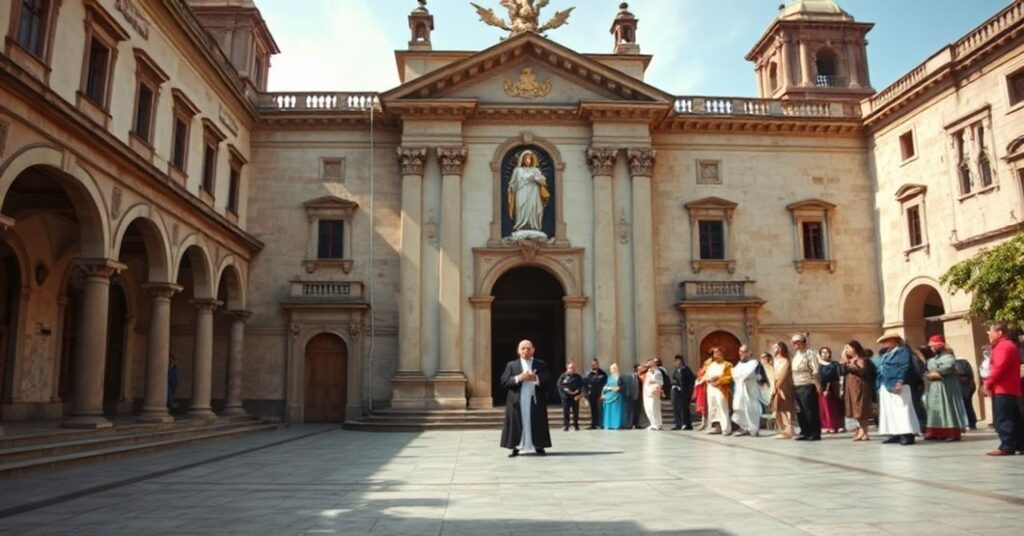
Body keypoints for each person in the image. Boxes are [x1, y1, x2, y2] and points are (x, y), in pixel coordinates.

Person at [499, 340, 553, 457]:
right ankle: (516, 446)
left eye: (528, 348)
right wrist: (519, 378)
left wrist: (536, 378)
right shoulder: (512, 365)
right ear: (518, 351)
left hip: (535, 400)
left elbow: (548, 381)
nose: (526, 351)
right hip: (517, 400)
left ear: (533, 350)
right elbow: (504, 382)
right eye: (523, 348)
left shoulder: (540, 364)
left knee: (536, 421)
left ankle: (538, 445)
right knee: (518, 422)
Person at [981, 322, 1023, 456]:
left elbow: (999, 368)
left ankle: (1007, 446)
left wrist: (987, 383)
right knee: (1015, 418)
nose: (988, 334)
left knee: (1003, 419)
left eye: (990, 331)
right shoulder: (1008, 345)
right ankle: (1020, 444)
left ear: (999, 333)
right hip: (1009, 388)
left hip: (1003, 389)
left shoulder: (1003, 346)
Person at [876, 331, 921, 446]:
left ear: (895, 341)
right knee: (890, 411)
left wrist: (900, 381)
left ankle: (907, 434)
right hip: (886, 383)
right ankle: (894, 433)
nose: (884, 343)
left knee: (902, 410)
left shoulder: (902, 351)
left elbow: (904, 366)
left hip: (898, 383)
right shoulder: (887, 353)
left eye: (887, 340)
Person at [922, 335, 970, 441]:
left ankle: (952, 432)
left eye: (933, 346)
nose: (932, 348)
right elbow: (926, 369)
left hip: (946, 386)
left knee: (948, 407)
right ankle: (935, 431)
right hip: (934, 387)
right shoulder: (932, 359)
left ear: (940, 345)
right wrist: (928, 374)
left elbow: (949, 368)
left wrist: (938, 373)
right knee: (934, 408)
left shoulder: (949, 357)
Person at [507, 150, 550, 235]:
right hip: (521, 192)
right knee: (522, 208)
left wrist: (537, 179)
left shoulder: (536, 170)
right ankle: (521, 225)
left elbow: (543, 182)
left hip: (534, 192)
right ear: (522, 159)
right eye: (526, 158)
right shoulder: (517, 170)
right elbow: (512, 183)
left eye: (529, 158)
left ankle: (534, 226)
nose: (528, 160)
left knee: (534, 208)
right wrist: (511, 187)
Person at [790, 333, 822, 441]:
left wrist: (817, 384)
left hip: (807, 384)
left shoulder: (810, 353)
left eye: (798, 341)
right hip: (797, 384)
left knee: (809, 410)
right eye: (794, 342)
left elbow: (815, 370)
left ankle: (814, 432)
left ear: (803, 342)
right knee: (800, 411)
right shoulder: (796, 355)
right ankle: (805, 431)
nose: (796, 344)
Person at [842, 341, 875, 442]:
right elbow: (843, 372)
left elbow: (863, 371)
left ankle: (864, 431)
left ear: (855, 348)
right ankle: (861, 430)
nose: (846, 350)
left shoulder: (863, 360)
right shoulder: (849, 361)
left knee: (861, 409)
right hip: (851, 387)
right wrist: (845, 360)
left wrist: (850, 365)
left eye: (848, 348)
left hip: (860, 387)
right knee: (855, 410)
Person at [699, 347, 733, 435]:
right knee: (712, 407)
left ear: (722, 354)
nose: (716, 355)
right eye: (714, 353)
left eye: (717, 353)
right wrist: (707, 379)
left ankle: (726, 429)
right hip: (710, 388)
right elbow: (704, 375)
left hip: (720, 389)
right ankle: (715, 427)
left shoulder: (727, 365)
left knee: (722, 407)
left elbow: (728, 377)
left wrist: (718, 380)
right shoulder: (711, 365)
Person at [731, 345, 762, 436]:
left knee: (751, 409)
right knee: (738, 407)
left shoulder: (754, 363)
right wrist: (741, 377)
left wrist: (748, 377)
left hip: (750, 389)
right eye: (740, 351)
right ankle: (744, 427)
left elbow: (757, 375)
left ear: (748, 353)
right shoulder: (739, 364)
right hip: (740, 390)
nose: (740, 354)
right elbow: (735, 374)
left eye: (743, 351)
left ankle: (753, 429)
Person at [770, 342, 796, 439]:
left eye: (776, 347)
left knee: (785, 408)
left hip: (784, 387)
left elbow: (782, 374)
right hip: (776, 387)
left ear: (780, 349)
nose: (773, 349)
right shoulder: (774, 361)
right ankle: (782, 429)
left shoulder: (785, 361)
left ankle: (788, 430)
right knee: (778, 409)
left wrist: (778, 385)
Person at [818, 346, 846, 434]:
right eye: (823, 352)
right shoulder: (819, 365)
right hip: (821, 389)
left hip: (833, 388)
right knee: (824, 409)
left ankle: (836, 425)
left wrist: (827, 389)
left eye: (826, 352)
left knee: (834, 408)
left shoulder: (834, 364)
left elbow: (832, 377)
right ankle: (826, 425)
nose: (824, 354)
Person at [557, 362, 584, 431]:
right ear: (567, 368)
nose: (573, 369)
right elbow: (559, 385)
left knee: (576, 411)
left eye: (574, 368)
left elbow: (581, 385)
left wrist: (578, 393)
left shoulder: (578, 377)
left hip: (575, 397)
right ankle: (566, 425)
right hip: (566, 397)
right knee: (566, 411)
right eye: (571, 368)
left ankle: (576, 425)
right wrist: (565, 390)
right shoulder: (563, 376)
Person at [671, 355, 696, 430]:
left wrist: (689, 391)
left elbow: (691, 381)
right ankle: (678, 423)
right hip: (677, 393)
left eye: (678, 361)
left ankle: (686, 424)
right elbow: (674, 380)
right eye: (675, 361)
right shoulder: (676, 371)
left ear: (681, 361)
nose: (676, 363)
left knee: (684, 409)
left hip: (685, 393)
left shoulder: (686, 370)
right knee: (677, 408)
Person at [953, 357, 978, 430]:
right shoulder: (964, 362)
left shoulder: (956, 364)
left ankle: (968, 422)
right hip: (969, 386)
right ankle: (972, 422)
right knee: (968, 404)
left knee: (965, 405)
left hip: (963, 386)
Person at [583, 359, 608, 429]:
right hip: (591, 394)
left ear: (598, 364)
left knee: (601, 409)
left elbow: (605, 383)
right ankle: (594, 424)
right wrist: (586, 393)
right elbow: (584, 384)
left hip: (600, 394)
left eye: (595, 364)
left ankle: (601, 423)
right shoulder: (588, 374)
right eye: (593, 364)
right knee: (593, 409)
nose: (594, 365)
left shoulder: (602, 374)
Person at [642, 360, 664, 430]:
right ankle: (653, 424)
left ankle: (657, 424)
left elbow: (660, 382)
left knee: (653, 408)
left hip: (653, 393)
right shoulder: (648, 372)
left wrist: (657, 388)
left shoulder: (657, 372)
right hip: (647, 393)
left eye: (650, 363)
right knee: (648, 409)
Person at [602, 363, 625, 430]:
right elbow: (606, 385)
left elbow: (623, 385)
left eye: (611, 369)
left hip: (616, 396)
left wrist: (619, 388)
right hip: (609, 395)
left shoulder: (620, 377)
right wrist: (606, 389)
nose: (610, 370)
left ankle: (616, 425)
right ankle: (608, 424)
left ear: (615, 369)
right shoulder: (609, 378)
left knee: (616, 410)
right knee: (608, 411)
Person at [693, 353, 712, 430]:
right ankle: (703, 422)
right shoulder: (702, 368)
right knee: (703, 407)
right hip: (701, 389)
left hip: (706, 389)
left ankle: (708, 423)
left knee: (707, 406)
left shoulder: (710, 367)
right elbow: (699, 376)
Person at [619, 363, 641, 429]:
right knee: (629, 411)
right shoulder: (629, 376)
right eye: (640, 369)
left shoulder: (640, 377)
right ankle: (629, 425)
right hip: (630, 396)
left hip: (638, 396)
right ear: (636, 369)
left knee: (637, 411)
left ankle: (636, 424)